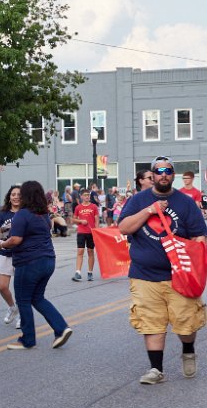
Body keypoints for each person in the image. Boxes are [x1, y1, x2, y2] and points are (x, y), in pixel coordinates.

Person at [117, 156, 207, 385]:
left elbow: (199, 235)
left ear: (173, 175)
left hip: (180, 275)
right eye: (159, 171)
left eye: (168, 170)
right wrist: (149, 210)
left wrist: (192, 257)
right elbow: (124, 228)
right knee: (151, 322)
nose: (163, 174)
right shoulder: (138, 200)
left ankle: (188, 350)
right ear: (153, 175)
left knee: (186, 323)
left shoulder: (185, 203)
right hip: (144, 274)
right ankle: (156, 369)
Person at [0, 180, 73, 350]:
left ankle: (27, 339)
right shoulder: (43, 215)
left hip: (29, 262)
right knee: (37, 298)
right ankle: (61, 328)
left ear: (26, 195)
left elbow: (15, 239)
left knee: (23, 300)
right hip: (48, 260)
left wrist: (1, 244)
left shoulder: (22, 214)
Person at [0, 185, 21, 328]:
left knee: (21, 287)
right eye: (13, 194)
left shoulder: (25, 212)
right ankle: (12, 307)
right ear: (9, 197)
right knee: (2, 286)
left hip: (21, 254)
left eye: (18, 194)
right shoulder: (3, 214)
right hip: (5, 252)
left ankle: (23, 315)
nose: (16, 197)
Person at [71, 189, 98, 281]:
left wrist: (96, 230)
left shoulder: (94, 206)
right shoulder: (78, 207)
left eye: (88, 195)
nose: (87, 196)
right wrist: (81, 221)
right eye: (85, 195)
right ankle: (78, 272)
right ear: (81, 196)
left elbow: (96, 219)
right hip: (81, 232)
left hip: (91, 232)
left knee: (90, 251)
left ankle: (90, 272)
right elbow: (73, 219)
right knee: (80, 251)